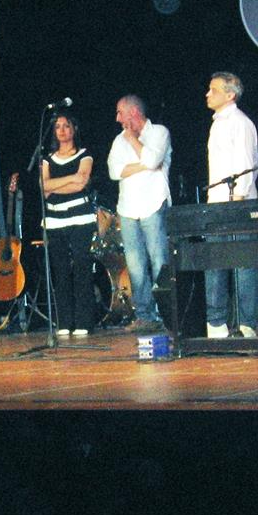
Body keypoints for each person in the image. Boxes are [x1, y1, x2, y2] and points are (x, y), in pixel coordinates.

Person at [106, 94, 172, 333]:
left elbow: (153, 160)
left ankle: (168, 315)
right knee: (135, 266)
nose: (117, 118)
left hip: (153, 204)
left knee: (159, 261)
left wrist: (133, 140)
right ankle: (145, 315)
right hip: (127, 208)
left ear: (133, 112)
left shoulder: (159, 133)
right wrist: (145, 164)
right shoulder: (118, 140)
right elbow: (114, 171)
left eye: (120, 112)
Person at [204, 72, 258, 338]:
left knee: (243, 264)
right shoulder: (217, 124)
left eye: (213, 90)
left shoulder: (240, 123)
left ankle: (246, 323)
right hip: (217, 203)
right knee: (215, 262)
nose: (208, 94)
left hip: (237, 204)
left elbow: (246, 165)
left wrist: (237, 202)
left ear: (230, 95)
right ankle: (216, 323)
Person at [42, 111, 97, 336]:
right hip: (54, 219)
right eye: (58, 127)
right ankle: (64, 321)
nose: (62, 130)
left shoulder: (85, 155)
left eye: (66, 126)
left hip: (80, 217)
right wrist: (69, 179)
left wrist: (56, 184)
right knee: (61, 270)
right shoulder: (47, 159)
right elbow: (43, 187)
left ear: (74, 128)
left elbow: (81, 182)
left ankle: (84, 321)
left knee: (82, 267)